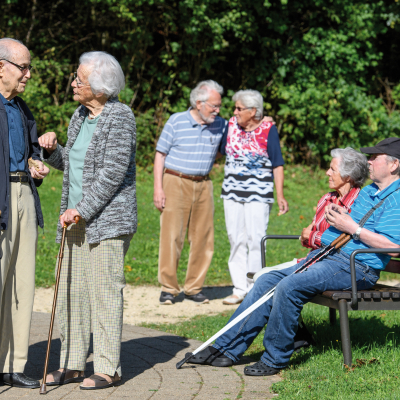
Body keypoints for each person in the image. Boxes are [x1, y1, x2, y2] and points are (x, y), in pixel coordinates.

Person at [187, 137, 400, 376]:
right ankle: (225, 349)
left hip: (356, 267)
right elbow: (348, 223)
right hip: (329, 256)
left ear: (393, 165)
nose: (369, 162)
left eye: (374, 158)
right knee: (267, 280)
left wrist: (353, 228)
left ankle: (275, 358)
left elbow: (393, 248)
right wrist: (338, 218)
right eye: (369, 157)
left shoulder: (397, 198)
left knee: (289, 285)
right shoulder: (370, 190)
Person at [39, 51, 136, 390]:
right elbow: (75, 163)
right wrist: (52, 151)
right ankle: (72, 363)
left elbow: (112, 173)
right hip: (75, 218)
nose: (73, 83)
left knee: (104, 292)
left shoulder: (120, 117)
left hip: (107, 221)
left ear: (100, 86)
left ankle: (109, 367)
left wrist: (81, 208)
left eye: (79, 80)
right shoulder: (79, 115)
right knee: (71, 291)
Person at [0, 38, 49, 389]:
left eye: (29, 67)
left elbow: (32, 152)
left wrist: (37, 166)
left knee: (22, 283)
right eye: (23, 67)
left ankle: (13, 365)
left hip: (24, 198)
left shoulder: (20, 108)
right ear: (1, 66)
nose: (28, 74)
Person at [154, 80, 228, 305]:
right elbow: (160, 154)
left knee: (203, 238)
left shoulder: (221, 124)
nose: (217, 110)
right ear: (198, 103)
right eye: (213, 106)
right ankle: (169, 288)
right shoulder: (176, 121)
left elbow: (236, 137)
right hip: (175, 181)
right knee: (172, 235)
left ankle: (194, 287)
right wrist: (158, 188)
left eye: (219, 106)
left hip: (204, 184)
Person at [253, 147, 369, 280]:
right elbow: (308, 237)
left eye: (333, 169)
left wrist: (311, 236)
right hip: (311, 261)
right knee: (262, 276)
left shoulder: (359, 203)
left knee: (264, 278)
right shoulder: (326, 199)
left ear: (348, 176)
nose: (327, 173)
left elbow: (346, 244)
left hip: (335, 268)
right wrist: (308, 236)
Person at [220, 90, 289, 305]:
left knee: (256, 238)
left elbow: (277, 163)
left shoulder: (269, 129)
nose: (235, 112)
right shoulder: (230, 125)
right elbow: (222, 149)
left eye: (239, 108)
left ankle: (254, 287)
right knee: (235, 238)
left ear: (253, 111)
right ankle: (239, 288)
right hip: (231, 192)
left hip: (258, 194)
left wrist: (280, 195)